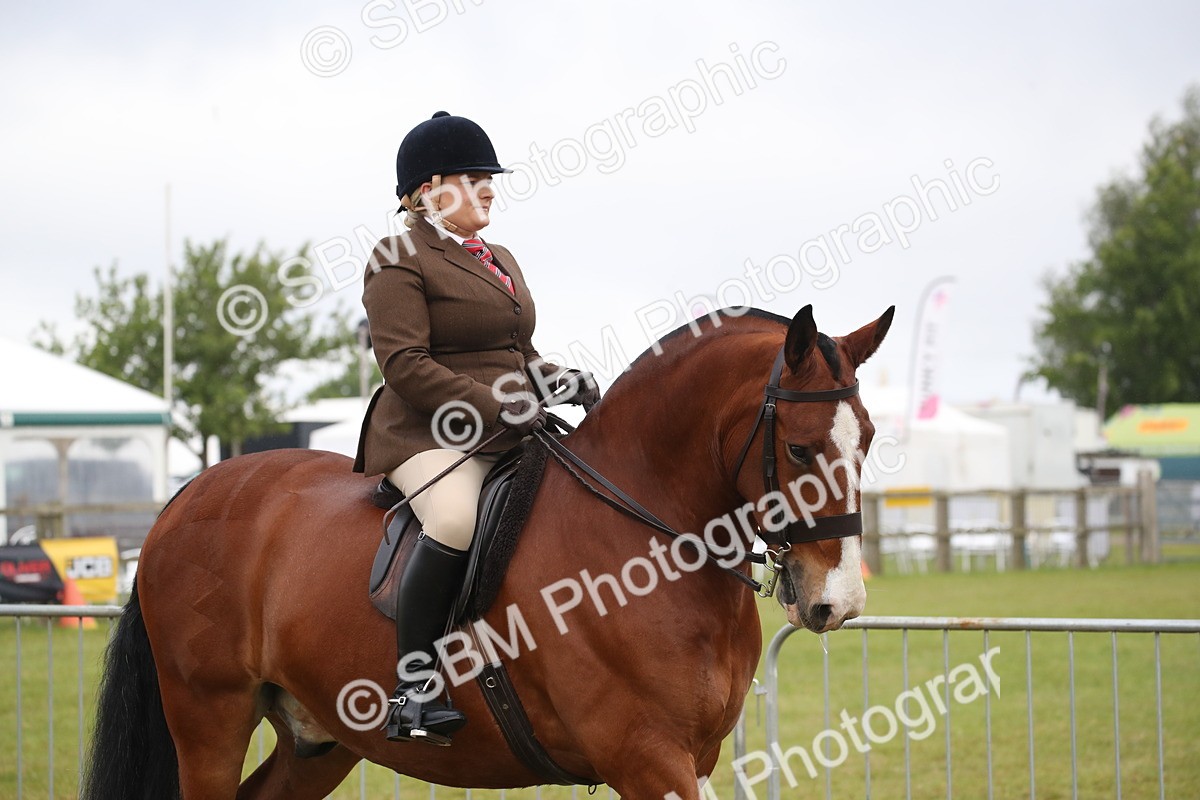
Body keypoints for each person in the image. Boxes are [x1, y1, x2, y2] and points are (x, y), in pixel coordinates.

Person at [353, 111, 600, 746]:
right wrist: (499, 405)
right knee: (455, 517)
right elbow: (405, 364)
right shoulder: (397, 257)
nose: (489, 189)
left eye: (490, 178)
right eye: (474, 178)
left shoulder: (500, 258)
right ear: (429, 191)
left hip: (510, 427)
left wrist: (561, 379)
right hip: (427, 433)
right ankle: (413, 690)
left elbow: (519, 352)